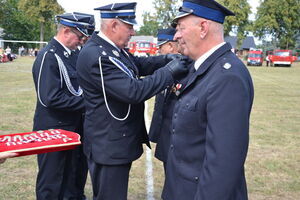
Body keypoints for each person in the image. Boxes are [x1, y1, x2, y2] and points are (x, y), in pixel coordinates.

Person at [76, 2, 188, 200]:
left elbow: (139, 64)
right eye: (129, 26)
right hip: (108, 144)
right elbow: (133, 91)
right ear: (113, 26)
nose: (133, 31)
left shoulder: (112, 49)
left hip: (115, 141)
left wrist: (168, 58)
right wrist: (170, 71)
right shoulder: (97, 55)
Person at [162, 0, 254, 200]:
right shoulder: (201, 69)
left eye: (181, 28)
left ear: (203, 28)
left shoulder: (228, 77)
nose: (176, 36)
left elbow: (223, 165)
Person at [32, 12, 95, 200]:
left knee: (73, 178)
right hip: (53, 131)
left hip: (73, 128)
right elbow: (49, 98)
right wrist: (89, 103)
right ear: (66, 31)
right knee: (51, 182)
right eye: (80, 36)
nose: (82, 41)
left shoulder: (73, 55)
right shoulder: (48, 56)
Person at [149, 27, 182, 173]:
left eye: (160, 47)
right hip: (165, 133)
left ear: (170, 45)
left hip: (176, 137)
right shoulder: (166, 66)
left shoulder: (182, 68)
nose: (158, 51)